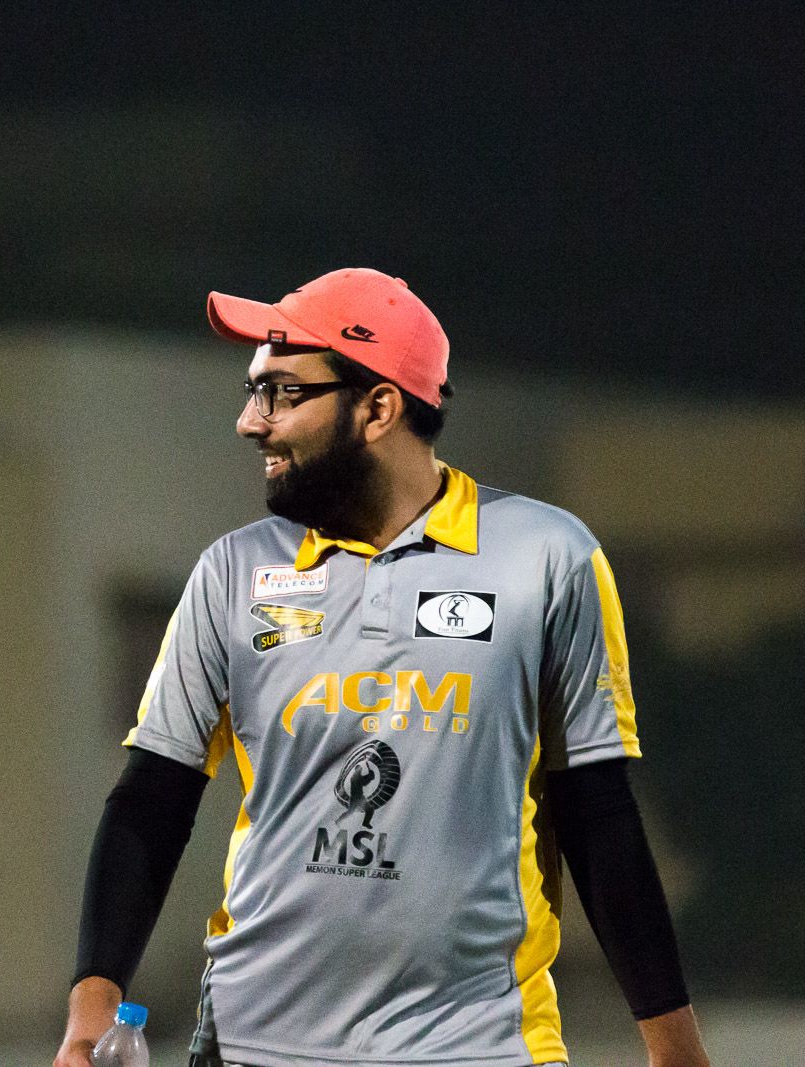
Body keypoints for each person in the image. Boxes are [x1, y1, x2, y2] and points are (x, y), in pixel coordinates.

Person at [53, 269, 710, 1067]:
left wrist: (675, 1049)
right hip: (253, 1046)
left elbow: (596, 813)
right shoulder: (233, 570)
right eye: (253, 391)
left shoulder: (546, 558)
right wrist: (89, 1016)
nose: (250, 422)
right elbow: (151, 801)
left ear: (378, 407)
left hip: (480, 1050)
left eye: (282, 392)